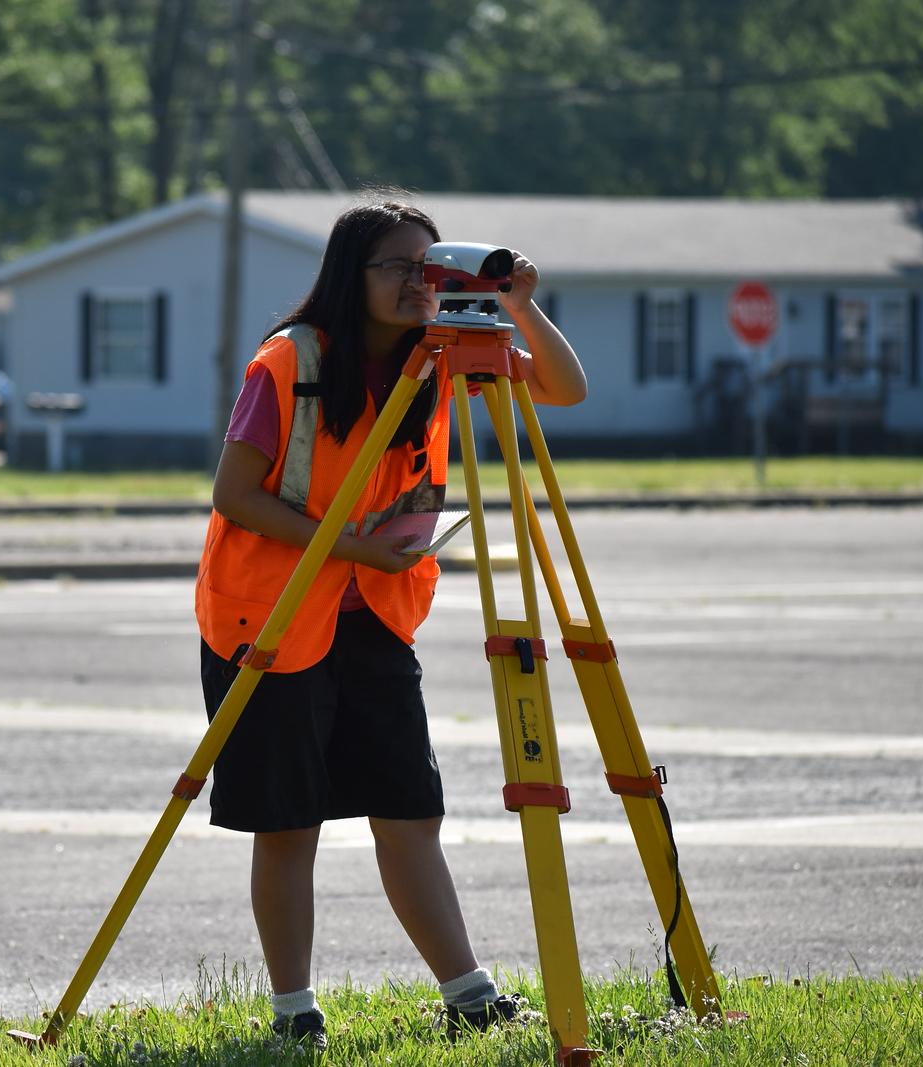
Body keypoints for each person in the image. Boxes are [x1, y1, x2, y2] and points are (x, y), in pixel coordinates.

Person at [194, 197, 588, 1050]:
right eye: (400, 268)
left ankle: (469, 993)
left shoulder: (439, 357)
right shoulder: (289, 360)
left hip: (374, 612)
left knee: (410, 807)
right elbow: (235, 494)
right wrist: (348, 549)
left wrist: (516, 302)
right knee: (287, 821)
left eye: (430, 266)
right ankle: (295, 1012)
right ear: (351, 274)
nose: (420, 283)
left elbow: (565, 389)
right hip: (269, 612)